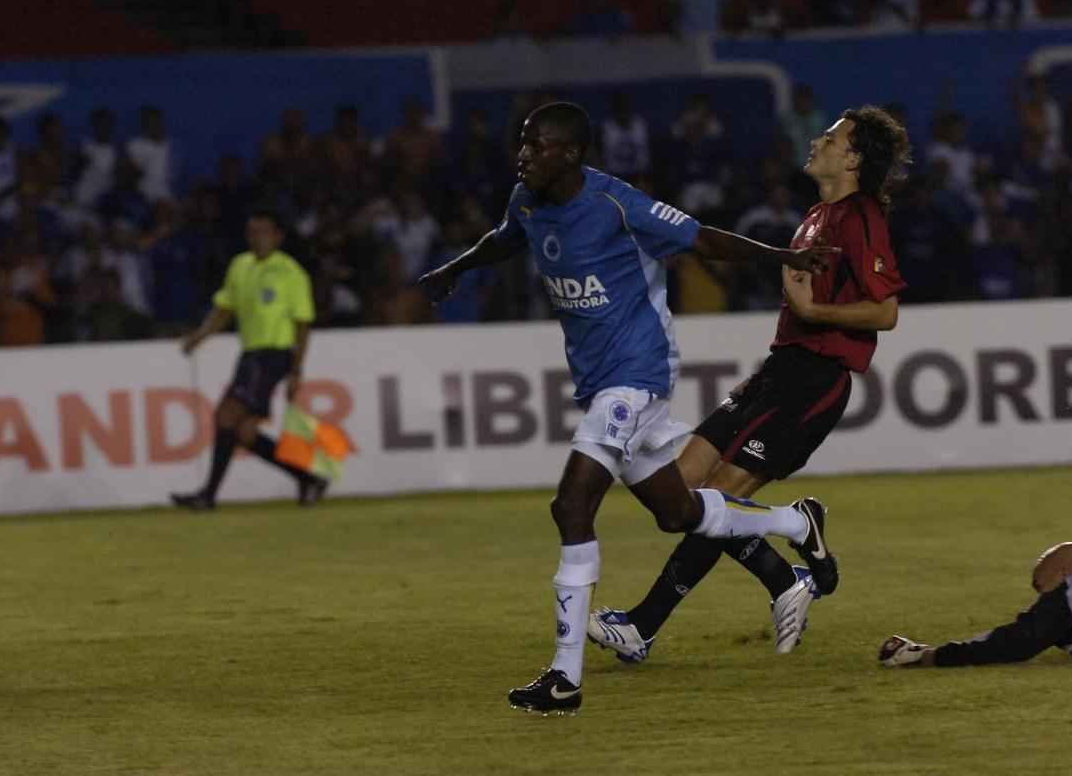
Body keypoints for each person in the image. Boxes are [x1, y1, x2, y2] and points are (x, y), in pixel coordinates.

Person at [418, 101, 839, 715]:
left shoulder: (619, 203)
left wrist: (783, 257)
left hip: (638, 376)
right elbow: (507, 238)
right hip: (600, 382)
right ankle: (796, 525)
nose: (524, 154)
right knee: (678, 512)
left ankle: (564, 677)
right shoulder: (526, 199)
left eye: (537, 145)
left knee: (571, 504)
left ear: (571, 153)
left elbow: (703, 239)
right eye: (524, 144)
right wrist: (456, 268)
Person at [589, 106, 910, 661]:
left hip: (816, 380)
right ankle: (786, 573)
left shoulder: (860, 218)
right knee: (680, 495)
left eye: (831, 137)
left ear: (853, 159)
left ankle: (642, 626)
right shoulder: (815, 215)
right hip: (778, 372)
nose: (817, 141)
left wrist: (815, 311)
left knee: (720, 498)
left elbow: (885, 313)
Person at [170, 209, 326, 511]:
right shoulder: (239, 266)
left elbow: (302, 324)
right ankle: (309, 479)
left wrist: (296, 371)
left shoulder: (291, 273)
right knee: (244, 433)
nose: (257, 237)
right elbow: (224, 308)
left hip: (274, 355)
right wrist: (200, 336)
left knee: (225, 417)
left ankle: (208, 496)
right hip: (250, 356)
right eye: (252, 231)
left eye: (264, 231)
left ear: (278, 236)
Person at [880, 542, 1072, 667]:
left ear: (1063, 574)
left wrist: (928, 656)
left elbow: (1016, 643)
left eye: (1039, 583)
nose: (1038, 596)